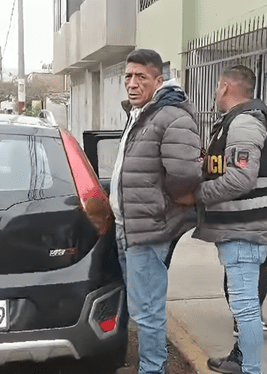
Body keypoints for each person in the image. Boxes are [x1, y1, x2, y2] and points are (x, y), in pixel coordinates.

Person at [110, 48, 202, 374]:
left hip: (149, 228)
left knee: (147, 309)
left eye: (140, 77)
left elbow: (186, 174)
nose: (132, 84)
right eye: (128, 77)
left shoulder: (171, 116)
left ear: (159, 80)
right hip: (128, 225)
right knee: (139, 305)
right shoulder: (142, 112)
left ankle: (152, 369)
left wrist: (165, 204)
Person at [186, 65, 267, 374]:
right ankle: (244, 363)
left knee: (246, 309)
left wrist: (196, 193)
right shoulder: (236, 122)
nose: (214, 93)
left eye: (216, 88)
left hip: (244, 231)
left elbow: (241, 180)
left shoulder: (244, 124)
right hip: (240, 228)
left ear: (225, 87)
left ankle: (251, 369)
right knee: (245, 305)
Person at [209, 160, 267, 374]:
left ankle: (243, 348)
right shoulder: (265, 150)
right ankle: (248, 323)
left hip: (241, 228)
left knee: (241, 294)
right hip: (261, 225)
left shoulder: (238, 149)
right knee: (258, 278)